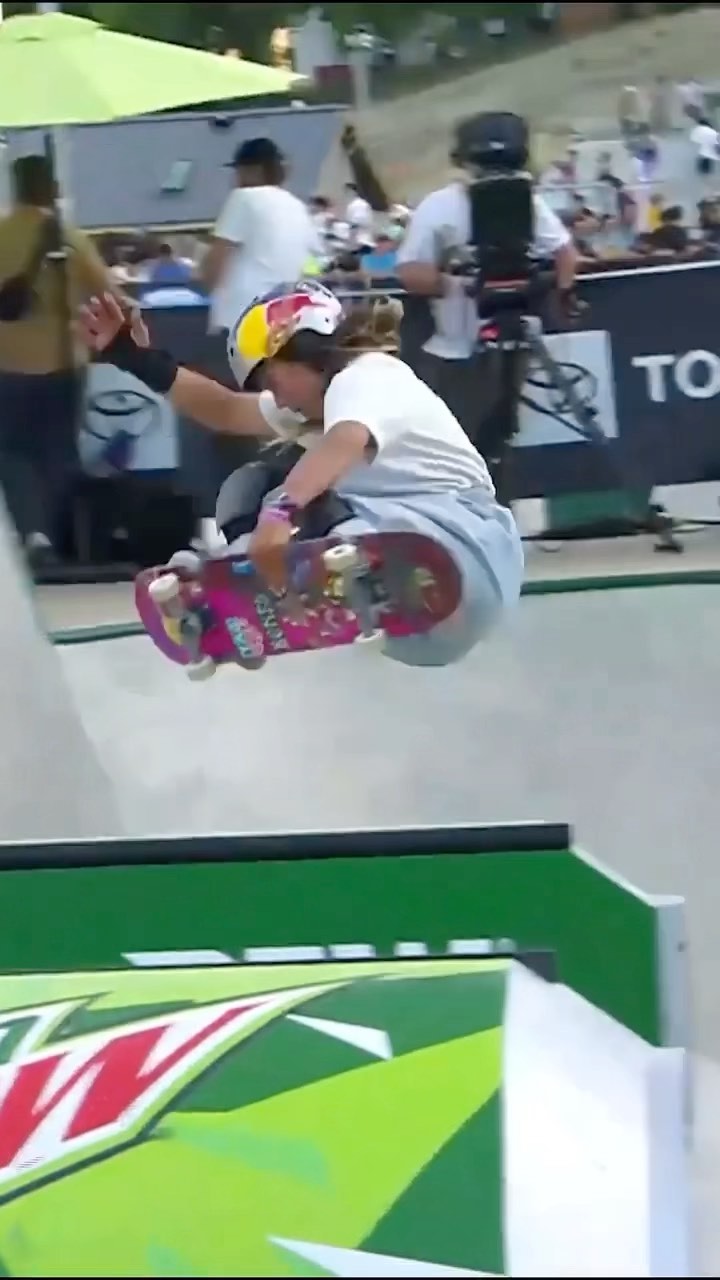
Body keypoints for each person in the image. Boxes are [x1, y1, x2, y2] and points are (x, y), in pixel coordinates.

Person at [78, 282, 524, 669]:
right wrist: (135, 360)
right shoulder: (315, 406)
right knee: (248, 489)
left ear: (303, 348)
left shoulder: (366, 374)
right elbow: (225, 409)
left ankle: (336, 562)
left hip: (467, 542)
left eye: (273, 383)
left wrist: (280, 514)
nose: (277, 401)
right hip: (432, 630)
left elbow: (346, 440)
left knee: (288, 494)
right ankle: (235, 603)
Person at [0, 154, 122, 569]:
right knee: (59, 450)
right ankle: (61, 538)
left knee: (10, 451)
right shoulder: (68, 238)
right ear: (52, 188)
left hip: (6, 365)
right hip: (63, 362)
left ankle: (32, 533)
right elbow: (111, 296)